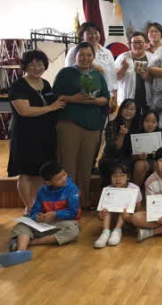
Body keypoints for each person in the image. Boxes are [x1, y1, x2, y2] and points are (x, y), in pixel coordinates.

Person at [7, 50, 66, 214]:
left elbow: (55, 104)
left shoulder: (45, 84)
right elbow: (24, 111)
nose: (36, 68)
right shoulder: (18, 86)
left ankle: (38, 204)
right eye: (32, 65)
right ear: (25, 66)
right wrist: (51, 108)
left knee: (42, 172)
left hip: (45, 134)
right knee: (26, 173)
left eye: (40, 64)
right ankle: (29, 206)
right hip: (26, 135)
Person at [53, 42, 110, 208]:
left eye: (89, 55)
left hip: (92, 125)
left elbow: (106, 98)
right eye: (82, 54)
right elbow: (54, 96)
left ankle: (83, 200)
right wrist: (73, 99)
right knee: (68, 163)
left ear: (93, 56)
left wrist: (95, 100)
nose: (85, 58)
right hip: (69, 122)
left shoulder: (98, 75)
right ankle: (68, 202)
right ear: (75, 56)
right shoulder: (65, 73)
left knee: (86, 165)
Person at [0, 162, 80, 267]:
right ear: (48, 183)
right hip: (43, 224)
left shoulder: (72, 189)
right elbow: (34, 210)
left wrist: (55, 214)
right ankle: (20, 252)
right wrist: (37, 216)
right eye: (59, 178)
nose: (64, 179)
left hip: (62, 222)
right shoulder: (42, 191)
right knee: (22, 225)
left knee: (73, 231)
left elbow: (73, 212)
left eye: (64, 174)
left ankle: (31, 242)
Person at [65, 22, 118, 109]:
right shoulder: (74, 51)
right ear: (82, 35)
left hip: (105, 96)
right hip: (82, 96)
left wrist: (114, 95)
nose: (93, 36)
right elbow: (69, 73)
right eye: (89, 33)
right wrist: (90, 65)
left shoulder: (107, 52)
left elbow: (113, 75)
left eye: (96, 32)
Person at [94, 163, 143, 248]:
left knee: (123, 206)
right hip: (112, 219)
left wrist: (136, 223)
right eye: (114, 176)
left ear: (128, 177)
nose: (118, 179)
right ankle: (105, 232)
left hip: (128, 217)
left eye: (122, 175)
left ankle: (117, 231)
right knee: (106, 208)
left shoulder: (134, 188)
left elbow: (138, 206)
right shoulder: (108, 190)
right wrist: (101, 215)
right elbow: (99, 213)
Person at [98, 99, 140, 187]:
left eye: (132, 109)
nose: (128, 111)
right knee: (115, 166)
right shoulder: (112, 124)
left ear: (136, 112)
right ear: (121, 109)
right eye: (126, 108)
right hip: (111, 158)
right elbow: (113, 149)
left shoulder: (137, 127)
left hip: (128, 159)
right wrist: (121, 135)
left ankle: (133, 191)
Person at [115, 31, 153, 116]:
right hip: (128, 100)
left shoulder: (151, 57)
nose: (137, 45)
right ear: (130, 44)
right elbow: (115, 78)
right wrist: (124, 67)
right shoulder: (123, 57)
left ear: (146, 44)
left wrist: (148, 78)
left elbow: (157, 80)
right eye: (134, 42)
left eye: (140, 42)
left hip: (147, 101)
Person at [131, 110, 162, 188]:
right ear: (142, 122)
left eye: (153, 122)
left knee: (158, 164)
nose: (150, 124)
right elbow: (131, 154)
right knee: (140, 165)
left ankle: (156, 191)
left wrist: (159, 155)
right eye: (147, 121)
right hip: (142, 161)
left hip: (156, 161)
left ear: (157, 123)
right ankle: (135, 190)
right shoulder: (137, 133)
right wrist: (138, 156)